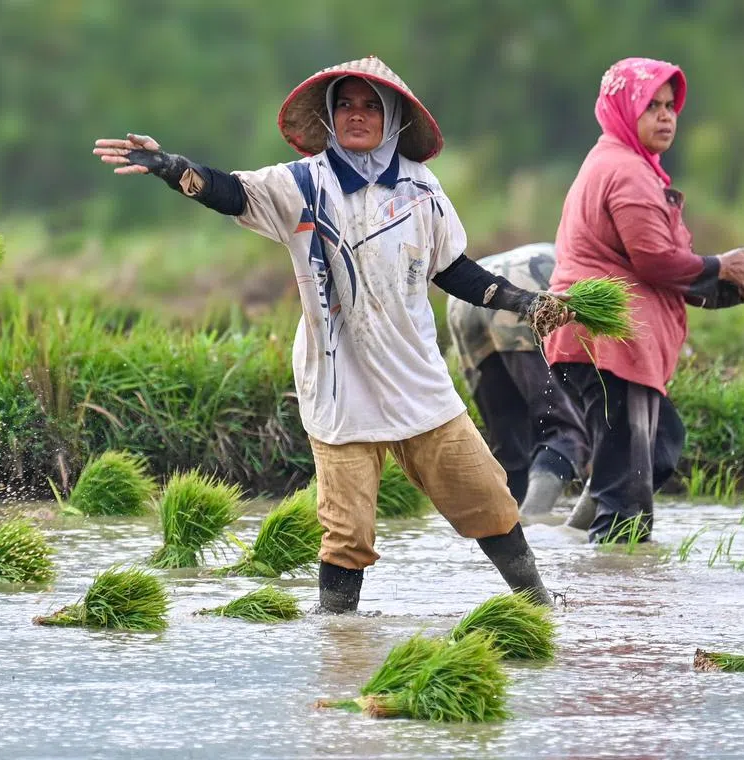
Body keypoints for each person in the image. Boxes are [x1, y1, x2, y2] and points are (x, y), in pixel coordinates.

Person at [93, 56, 572, 612]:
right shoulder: (303, 184)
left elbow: (453, 269)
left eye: (370, 106)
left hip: (416, 378)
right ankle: (338, 634)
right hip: (339, 381)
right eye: (345, 105)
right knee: (346, 532)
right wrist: (171, 167)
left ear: (392, 119)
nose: (356, 115)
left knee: (487, 498)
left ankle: (539, 605)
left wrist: (522, 302)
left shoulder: (421, 190)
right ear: (329, 116)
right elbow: (231, 192)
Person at [546, 57, 744, 544]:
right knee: (629, 496)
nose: (666, 116)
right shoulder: (626, 171)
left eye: (671, 106)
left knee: (660, 444)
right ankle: (618, 581)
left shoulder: (621, 163)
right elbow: (653, 260)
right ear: (624, 109)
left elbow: (657, 270)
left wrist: (731, 286)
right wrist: (720, 265)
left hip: (608, 343)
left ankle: (575, 538)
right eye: (652, 106)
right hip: (610, 344)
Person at [446, 243, 589, 518]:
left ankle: (509, 526)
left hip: (466, 297)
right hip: (523, 286)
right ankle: (532, 521)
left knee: (509, 443)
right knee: (565, 432)